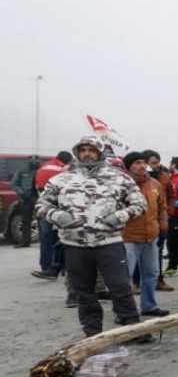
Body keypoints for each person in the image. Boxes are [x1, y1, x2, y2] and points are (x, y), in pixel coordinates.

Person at [36, 136, 151, 341]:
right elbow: (42, 205)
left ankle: (133, 330)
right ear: (77, 153)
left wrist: (119, 216)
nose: (87, 153)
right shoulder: (62, 179)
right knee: (84, 292)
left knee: (120, 288)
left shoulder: (119, 178)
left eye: (92, 149)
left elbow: (139, 204)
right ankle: (92, 334)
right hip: (75, 245)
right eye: (83, 150)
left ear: (99, 152)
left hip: (109, 243)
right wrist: (58, 216)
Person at [121, 152, 170, 317]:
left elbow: (162, 206)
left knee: (151, 273)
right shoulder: (121, 185)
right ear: (128, 167)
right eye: (136, 163)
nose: (141, 165)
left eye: (143, 162)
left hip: (151, 236)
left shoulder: (155, 184)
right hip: (128, 238)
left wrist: (163, 224)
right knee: (124, 276)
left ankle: (149, 306)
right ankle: (124, 312)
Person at [31, 150, 72, 280]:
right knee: (62, 238)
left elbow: (34, 187)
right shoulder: (64, 170)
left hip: (43, 207)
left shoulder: (43, 167)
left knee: (45, 238)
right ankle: (61, 267)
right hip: (59, 209)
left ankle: (45, 267)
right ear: (67, 161)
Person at [143, 150, 175, 292]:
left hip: (160, 222)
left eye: (157, 162)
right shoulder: (138, 179)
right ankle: (137, 282)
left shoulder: (164, 177)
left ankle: (159, 280)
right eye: (153, 163)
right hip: (142, 223)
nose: (156, 165)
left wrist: (169, 211)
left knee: (158, 251)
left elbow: (171, 195)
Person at [11, 158, 38, 248]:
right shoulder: (22, 171)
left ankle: (45, 243)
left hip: (39, 199)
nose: (34, 163)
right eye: (32, 162)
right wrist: (21, 193)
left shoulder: (41, 171)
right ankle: (25, 242)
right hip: (25, 199)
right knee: (25, 221)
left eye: (36, 162)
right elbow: (14, 184)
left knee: (42, 221)